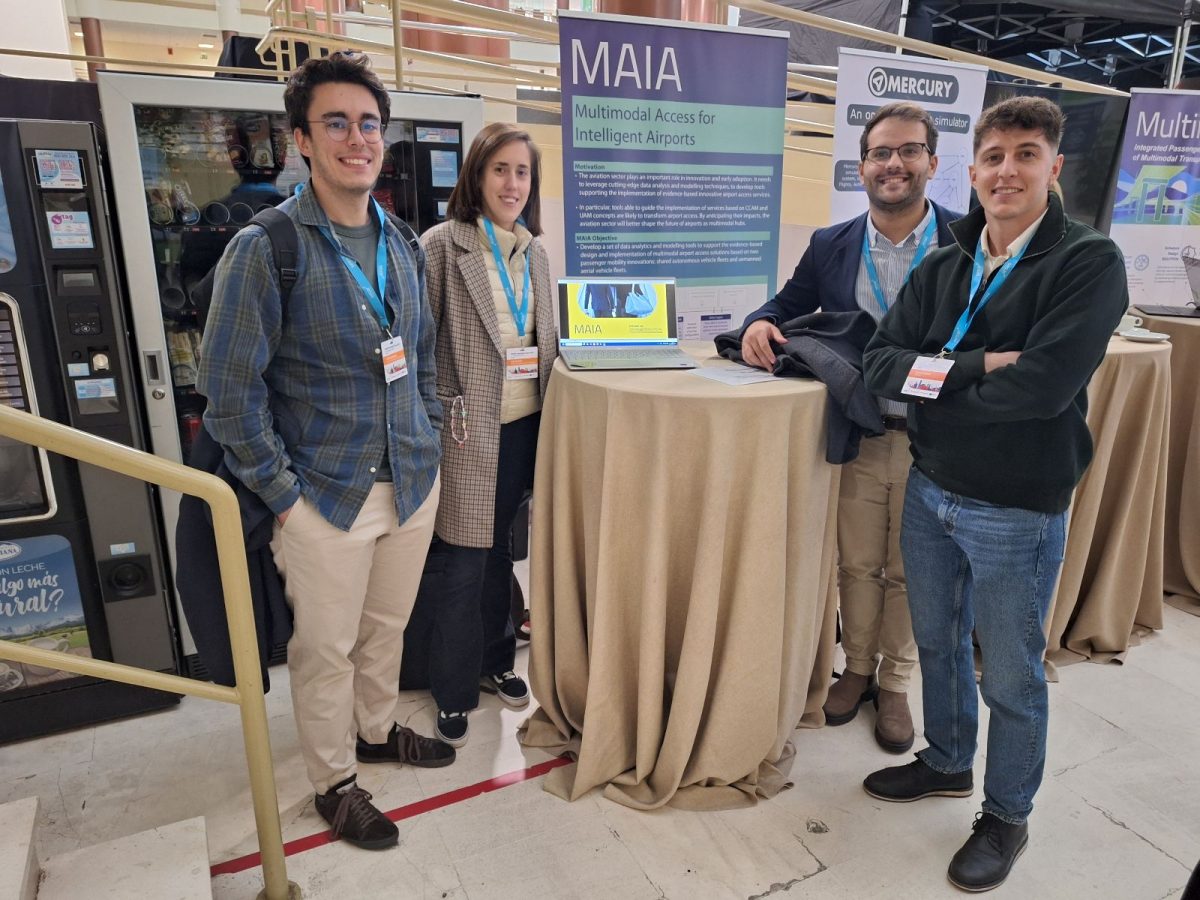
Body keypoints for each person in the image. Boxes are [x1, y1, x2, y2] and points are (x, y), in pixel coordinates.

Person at [861, 96, 1128, 891]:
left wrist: (933, 384)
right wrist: (978, 366)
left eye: (1025, 154)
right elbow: (881, 364)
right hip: (932, 487)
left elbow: (1042, 388)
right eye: (994, 157)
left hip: (1015, 503)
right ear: (972, 172)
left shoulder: (1087, 262)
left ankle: (1007, 815)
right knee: (937, 644)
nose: (1007, 171)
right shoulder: (947, 261)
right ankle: (947, 761)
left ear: (1054, 167)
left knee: (1010, 674)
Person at [197, 50, 454, 853]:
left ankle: (375, 732)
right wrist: (284, 498)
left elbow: (424, 356)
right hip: (323, 495)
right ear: (302, 140)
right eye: (336, 123)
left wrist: (428, 437)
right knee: (325, 651)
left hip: (409, 481)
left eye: (369, 124)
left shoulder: (402, 240)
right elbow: (228, 393)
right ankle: (334, 781)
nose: (357, 139)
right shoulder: (266, 247)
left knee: (387, 629)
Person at [740, 102, 960, 753]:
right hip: (860, 434)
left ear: (932, 162)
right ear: (862, 166)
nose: (894, 163)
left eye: (909, 150)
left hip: (937, 443)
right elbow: (785, 304)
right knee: (858, 564)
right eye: (880, 152)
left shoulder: (969, 240)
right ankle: (857, 668)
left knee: (914, 571)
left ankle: (895, 682)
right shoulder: (831, 244)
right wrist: (758, 322)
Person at [419, 123, 557, 747]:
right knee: (462, 560)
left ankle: (497, 661)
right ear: (476, 176)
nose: (512, 183)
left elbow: (540, 342)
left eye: (522, 172)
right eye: (499, 169)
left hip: (527, 428)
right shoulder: (441, 247)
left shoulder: (536, 252)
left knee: (503, 553)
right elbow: (421, 348)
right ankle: (452, 688)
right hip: (467, 433)